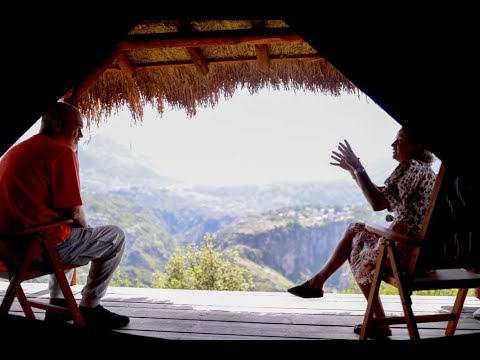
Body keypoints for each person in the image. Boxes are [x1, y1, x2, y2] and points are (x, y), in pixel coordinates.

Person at [288, 127, 436, 338]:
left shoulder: (410, 166)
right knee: (355, 228)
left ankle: (377, 319)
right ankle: (317, 283)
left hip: (403, 252)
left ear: (417, 146)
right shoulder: (425, 171)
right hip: (421, 253)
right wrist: (354, 171)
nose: (393, 145)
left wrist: (359, 168)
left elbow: (377, 203)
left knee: (355, 246)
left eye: (399, 140)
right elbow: (383, 193)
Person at [0, 101, 130, 329]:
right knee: (113, 236)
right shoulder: (60, 152)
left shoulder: (15, 151)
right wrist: (86, 233)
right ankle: (90, 307)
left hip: (7, 250)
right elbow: (75, 213)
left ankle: (58, 306)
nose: (81, 133)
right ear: (58, 124)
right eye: (78, 126)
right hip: (36, 250)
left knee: (64, 232)